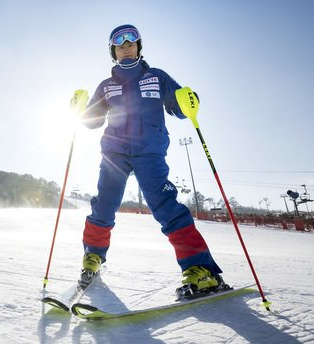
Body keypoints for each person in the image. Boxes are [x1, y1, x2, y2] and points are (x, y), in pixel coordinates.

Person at [79, 24, 228, 299]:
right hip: (115, 152)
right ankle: (93, 257)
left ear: (139, 46)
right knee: (104, 203)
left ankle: (200, 268)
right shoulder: (107, 85)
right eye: (119, 41)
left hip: (149, 150)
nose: (126, 44)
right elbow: (92, 121)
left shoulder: (156, 77)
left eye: (131, 40)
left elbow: (180, 109)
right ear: (112, 50)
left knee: (165, 206)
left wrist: (189, 102)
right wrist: (81, 109)